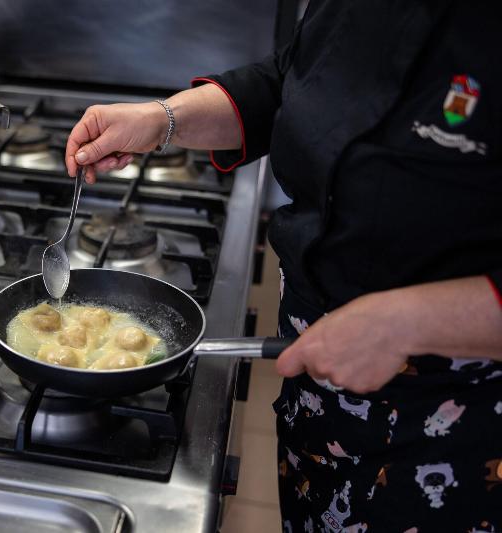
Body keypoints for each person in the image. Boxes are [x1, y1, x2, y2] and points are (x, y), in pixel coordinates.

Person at [64, 1, 502, 531]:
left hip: (460, 425)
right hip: (317, 389)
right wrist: (163, 119)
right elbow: (294, 80)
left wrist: (407, 322)